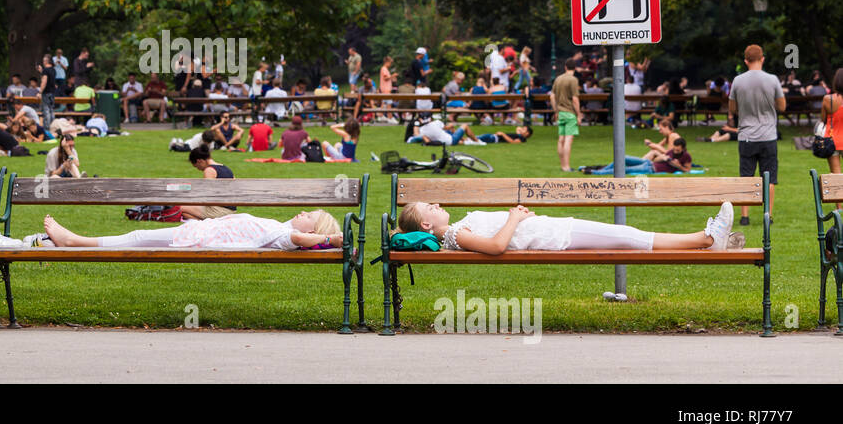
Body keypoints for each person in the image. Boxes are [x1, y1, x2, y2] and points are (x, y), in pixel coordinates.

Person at [393, 200, 734, 255]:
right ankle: (706, 239)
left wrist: (518, 217)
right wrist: (514, 217)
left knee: (627, 236)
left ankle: (707, 240)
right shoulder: (453, 234)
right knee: (628, 236)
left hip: (551, 229)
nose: (437, 205)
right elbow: (496, 248)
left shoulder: (454, 230)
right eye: (430, 208)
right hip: (555, 236)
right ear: (426, 224)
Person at [41, 209, 343, 250]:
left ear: (314, 229)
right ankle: (72, 239)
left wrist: (332, 238)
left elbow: (301, 239)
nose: (303, 212)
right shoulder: (279, 226)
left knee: (137, 238)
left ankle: (72, 240)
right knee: (139, 238)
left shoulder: (285, 236)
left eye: (309, 215)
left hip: (198, 238)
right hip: (199, 231)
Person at [728, 44, 786, 225]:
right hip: (768, 135)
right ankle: (767, 215)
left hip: (746, 135)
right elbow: (782, 106)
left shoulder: (738, 81)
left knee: (746, 176)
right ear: (763, 59)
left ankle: (744, 217)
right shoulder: (772, 79)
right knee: (769, 177)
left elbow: (732, 108)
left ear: (745, 61)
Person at [179, 145, 236, 219]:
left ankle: (207, 224)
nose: (198, 169)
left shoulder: (209, 170)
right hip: (231, 209)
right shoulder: (226, 168)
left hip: (219, 210)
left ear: (200, 161)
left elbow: (207, 194)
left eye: (196, 166)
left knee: (180, 208)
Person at [585, 137, 692, 175]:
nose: (675, 151)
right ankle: (602, 169)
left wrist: (678, 166)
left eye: (678, 150)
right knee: (623, 158)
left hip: (651, 169)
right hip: (649, 163)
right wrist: (664, 158)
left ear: (683, 148)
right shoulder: (671, 152)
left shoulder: (686, 156)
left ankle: (595, 172)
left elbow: (687, 170)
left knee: (625, 169)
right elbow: (658, 159)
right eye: (674, 149)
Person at [550, 58, 581, 172]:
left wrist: (556, 111)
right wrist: (579, 114)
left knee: (561, 139)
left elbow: (552, 96)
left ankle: (563, 165)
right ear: (575, 68)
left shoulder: (558, 79)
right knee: (568, 139)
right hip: (570, 113)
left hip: (561, 112)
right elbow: (575, 99)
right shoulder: (573, 80)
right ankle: (567, 166)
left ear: (565, 67)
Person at [819, 68, 843, 210]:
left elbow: (823, 119)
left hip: (832, 140)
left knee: (836, 175)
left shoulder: (829, 99)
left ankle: (839, 207)